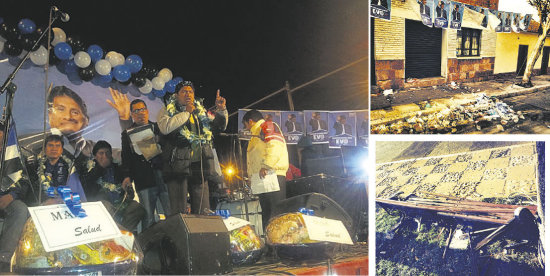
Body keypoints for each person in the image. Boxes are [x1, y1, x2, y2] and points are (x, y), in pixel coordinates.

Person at [157, 81, 228, 215]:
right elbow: (165, 128)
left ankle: (202, 234)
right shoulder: (167, 109)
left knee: (203, 209)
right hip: (177, 167)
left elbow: (219, 127)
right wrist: (186, 113)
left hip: (200, 166)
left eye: (190, 91)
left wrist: (221, 110)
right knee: (179, 211)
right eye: (184, 91)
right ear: (176, 95)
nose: (188, 94)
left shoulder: (200, 111)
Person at [121, 99, 170, 229]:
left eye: (142, 109)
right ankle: (147, 247)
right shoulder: (127, 134)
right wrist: (127, 176)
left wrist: (160, 143)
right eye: (136, 111)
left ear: (147, 111)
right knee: (148, 217)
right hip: (144, 180)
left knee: (171, 213)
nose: (140, 113)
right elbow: (126, 157)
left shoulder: (158, 128)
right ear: (132, 114)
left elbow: (168, 149)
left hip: (163, 177)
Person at [80, 141, 145, 231]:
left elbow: (130, 194)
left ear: (111, 155)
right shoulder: (89, 169)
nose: (105, 156)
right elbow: (86, 188)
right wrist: (100, 167)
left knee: (137, 208)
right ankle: (110, 234)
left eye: (107, 153)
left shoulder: (119, 169)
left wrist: (129, 192)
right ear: (95, 156)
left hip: (120, 203)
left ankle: (123, 233)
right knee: (106, 207)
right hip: (100, 203)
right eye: (101, 153)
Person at [242, 110, 288, 230]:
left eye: (245, 125)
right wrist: (251, 177)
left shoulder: (267, 126)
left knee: (276, 212)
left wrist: (266, 166)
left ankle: (279, 245)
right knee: (267, 212)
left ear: (250, 121)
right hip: (261, 177)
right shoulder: (254, 135)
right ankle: (269, 245)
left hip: (273, 174)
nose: (245, 128)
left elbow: (275, 145)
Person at [0, 125, 29, 271]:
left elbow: (24, 182)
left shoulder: (15, 157)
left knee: (21, 209)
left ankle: (4, 259)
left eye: (1, 139)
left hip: (7, 200)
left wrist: (12, 196)